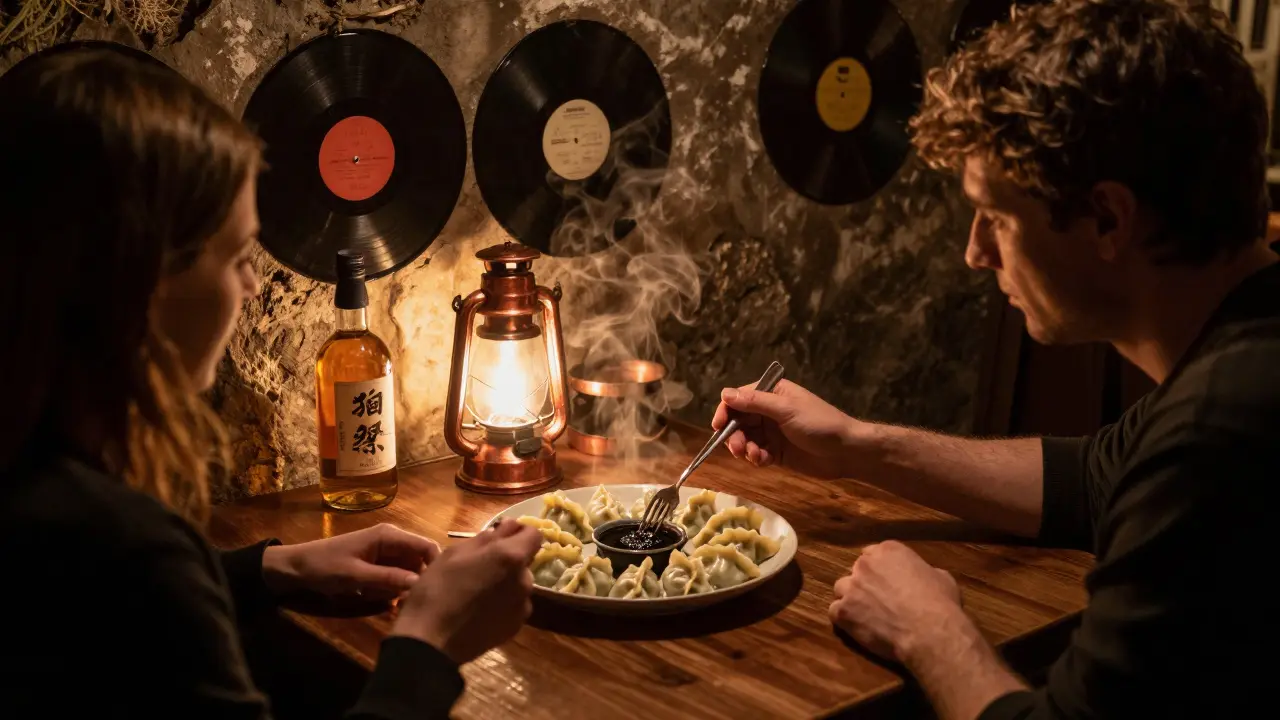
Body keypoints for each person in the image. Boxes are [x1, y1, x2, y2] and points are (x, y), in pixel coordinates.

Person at [713, 1, 1277, 718]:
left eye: (999, 218)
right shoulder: (1244, 346)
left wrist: (928, 629)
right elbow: (1087, 482)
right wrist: (859, 446)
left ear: (1108, 218)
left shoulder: (1219, 437)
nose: (975, 253)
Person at [0, 45, 542, 718]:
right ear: (135, 280)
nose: (252, 290)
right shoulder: (128, 548)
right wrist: (429, 643)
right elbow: (130, 584)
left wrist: (269, 569)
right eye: (234, 258)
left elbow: (84, 607)